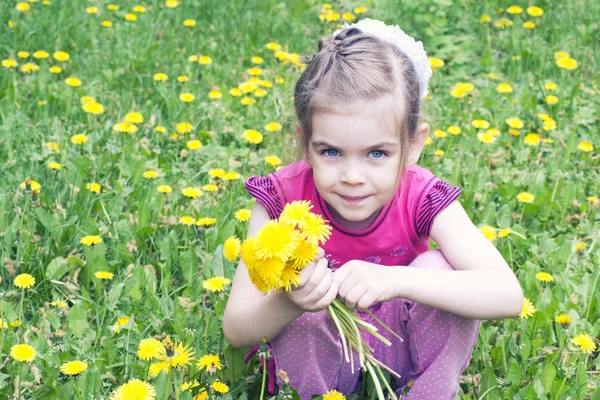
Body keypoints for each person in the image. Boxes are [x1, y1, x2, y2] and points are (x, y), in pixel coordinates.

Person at [223, 18, 524, 399]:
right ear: (305, 143)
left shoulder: (421, 196)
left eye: (377, 153)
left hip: (400, 351)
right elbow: (237, 329)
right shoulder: (281, 202)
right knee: (308, 305)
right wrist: (290, 301)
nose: (352, 176)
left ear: (413, 145)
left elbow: (508, 295)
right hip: (315, 359)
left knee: (440, 269)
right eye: (330, 152)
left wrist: (397, 281)